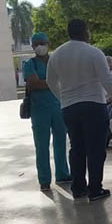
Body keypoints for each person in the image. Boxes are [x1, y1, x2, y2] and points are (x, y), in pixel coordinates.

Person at [46, 19, 112, 202]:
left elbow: (50, 81)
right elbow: (107, 80)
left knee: (77, 148)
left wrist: (63, 98)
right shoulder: (93, 52)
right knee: (96, 149)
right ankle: (95, 189)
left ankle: (78, 188)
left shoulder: (57, 54)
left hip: (69, 107)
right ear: (84, 31)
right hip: (93, 104)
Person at [23, 33, 71, 191]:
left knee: (60, 142)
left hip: (59, 107)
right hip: (39, 110)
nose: (39, 46)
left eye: (42, 43)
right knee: (41, 145)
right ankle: (44, 179)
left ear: (48, 43)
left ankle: (63, 174)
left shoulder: (57, 61)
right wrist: (53, 82)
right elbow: (33, 84)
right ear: (32, 47)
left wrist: (44, 82)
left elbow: (64, 81)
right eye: (36, 44)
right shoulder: (29, 64)